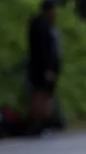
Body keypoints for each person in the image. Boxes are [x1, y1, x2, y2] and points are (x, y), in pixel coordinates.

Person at [27, 0, 62, 135]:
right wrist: (48, 68)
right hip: (42, 67)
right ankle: (37, 123)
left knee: (43, 95)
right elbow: (44, 50)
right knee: (41, 95)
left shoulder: (45, 26)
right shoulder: (41, 27)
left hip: (42, 66)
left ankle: (40, 123)